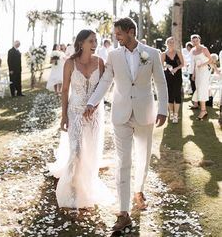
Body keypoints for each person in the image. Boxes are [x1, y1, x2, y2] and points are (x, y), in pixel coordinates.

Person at [83, 17, 168, 231]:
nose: (116, 37)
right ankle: (123, 212)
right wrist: (92, 102)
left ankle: (138, 189)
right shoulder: (113, 55)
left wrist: (163, 109)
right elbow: (105, 81)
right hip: (121, 114)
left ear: (131, 32)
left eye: (119, 34)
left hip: (145, 113)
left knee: (143, 158)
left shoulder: (152, 54)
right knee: (123, 162)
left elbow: (160, 82)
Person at [48, 29, 114, 209]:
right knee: (76, 152)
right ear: (81, 42)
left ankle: (87, 188)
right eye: (91, 41)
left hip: (95, 115)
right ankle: (72, 194)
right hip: (74, 112)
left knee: (91, 154)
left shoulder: (101, 63)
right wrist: (63, 115)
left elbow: (104, 88)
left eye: (96, 41)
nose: (95, 44)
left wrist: (96, 105)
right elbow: (64, 90)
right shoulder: (70, 63)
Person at [161, 37, 184, 123]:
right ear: (166, 44)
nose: (171, 44)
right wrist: (167, 66)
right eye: (169, 42)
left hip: (177, 76)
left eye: (173, 42)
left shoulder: (178, 52)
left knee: (177, 95)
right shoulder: (163, 54)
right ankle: (171, 112)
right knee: (169, 95)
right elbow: (161, 66)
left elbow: (183, 64)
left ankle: (176, 115)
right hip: (167, 77)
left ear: (174, 44)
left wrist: (176, 68)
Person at [190, 34, 212, 120]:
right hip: (197, 72)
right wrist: (193, 74)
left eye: (196, 40)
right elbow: (195, 64)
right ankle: (204, 110)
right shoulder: (193, 51)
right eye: (193, 41)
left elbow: (211, 60)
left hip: (204, 71)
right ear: (192, 42)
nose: (195, 42)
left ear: (199, 40)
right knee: (198, 88)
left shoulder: (204, 49)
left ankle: (203, 110)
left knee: (202, 89)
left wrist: (202, 65)